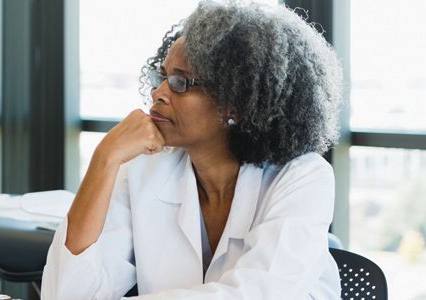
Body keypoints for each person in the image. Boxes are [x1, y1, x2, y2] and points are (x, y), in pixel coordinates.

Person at [41, 1, 343, 299]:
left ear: (236, 103)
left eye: (180, 83)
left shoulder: (303, 177)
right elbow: (66, 293)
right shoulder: (145, 169)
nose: (158, 94)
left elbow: (259, 294)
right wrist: (105, 158)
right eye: (162, 78)